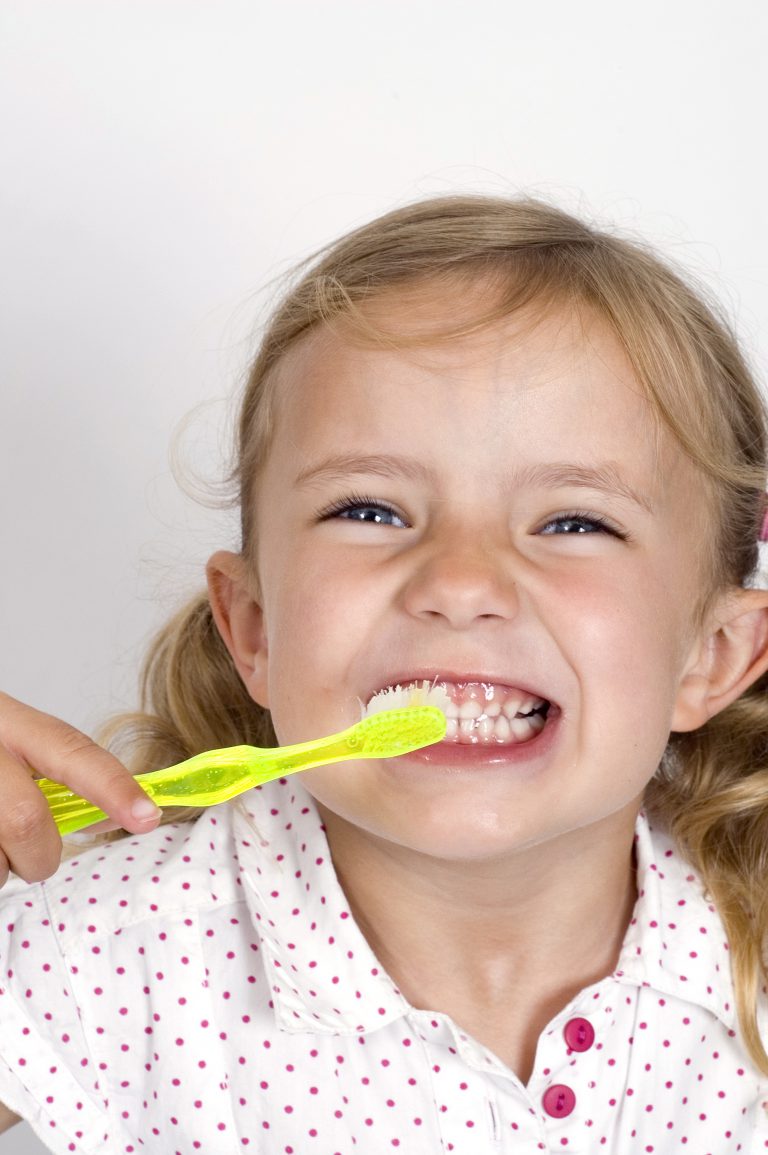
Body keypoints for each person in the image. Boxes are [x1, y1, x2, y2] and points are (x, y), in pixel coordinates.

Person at [1, 195, 768, 1154]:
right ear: (253, 628)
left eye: (575, 522)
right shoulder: (102, 955)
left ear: (714, 655)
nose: (460, 582)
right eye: (368, 508)